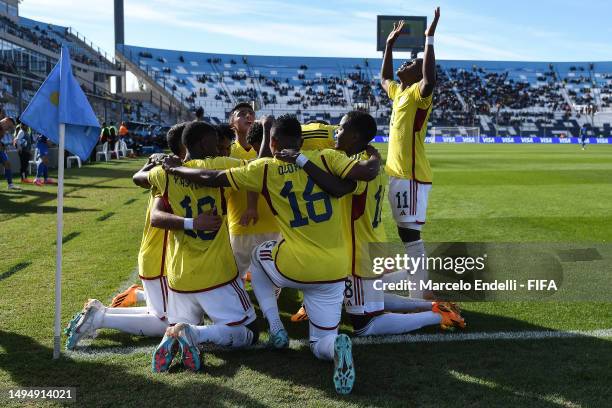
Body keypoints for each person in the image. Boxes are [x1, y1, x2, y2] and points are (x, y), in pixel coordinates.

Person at [162, 114, 381, 394]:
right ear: (301, 140)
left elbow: (212, 177)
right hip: (335, 270)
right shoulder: (328, 158)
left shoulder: (265, 168)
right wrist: (372, 154)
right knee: (320, 342)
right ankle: (334, 347)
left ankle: (276, 326)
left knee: (258, 256)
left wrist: (177, 169)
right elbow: (365, 172)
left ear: (273, 142)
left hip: (294, 265)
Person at [280, 111, 465, 335]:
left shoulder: (357, 168)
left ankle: (437, 316)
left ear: (355, 136)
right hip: (371, 244)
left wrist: (301, 160)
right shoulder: (370, 164)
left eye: (341, 129)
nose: (335, 133)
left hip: (358, 254)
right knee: (369, 299)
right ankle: (434, 306)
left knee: (365, 325)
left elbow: (337, 188)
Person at [142, 121, 259, 373]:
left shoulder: (164, 173)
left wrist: (158, 162)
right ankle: (193, 335)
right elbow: (257, 170)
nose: (219, 147)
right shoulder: (218, 164)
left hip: (179, 275)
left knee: (179, 323)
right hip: (215, 273)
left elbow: (143, 188)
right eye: (215, 142)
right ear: (205, 143)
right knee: (250, 331)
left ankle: (173, 339)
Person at [64, 124, 189, 350]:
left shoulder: (170, 169)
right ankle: (100, 319)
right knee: (165, 322)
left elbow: (138, 177)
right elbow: (139, 178)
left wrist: (151, 163)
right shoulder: (173, 173)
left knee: (170, 313)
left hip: (156, 253)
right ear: (186, 145)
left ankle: (100, 312)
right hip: (159, 257)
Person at [379, 8, 440, 299]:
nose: (409, 62)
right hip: (396, 174)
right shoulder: (399, 93)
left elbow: (430, 79)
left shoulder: (418, 93)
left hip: (412, 176)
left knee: (410, 235)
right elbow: (384, 79)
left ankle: (420, 293)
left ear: (417, 74)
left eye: (414, 62)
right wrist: (389, 45)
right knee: (405, 234)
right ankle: (417, 282)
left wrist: (428, 41)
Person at [227, 103, 280, 281]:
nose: (248, 116)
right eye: (242, 113)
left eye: (251, 113)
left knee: (273, 274)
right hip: (239, 223)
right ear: (232, 123)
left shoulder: (272, 147)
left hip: (271, 222)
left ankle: (269, 308)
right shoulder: (227, 150)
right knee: (234, 275)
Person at [0, 117, 19, 190]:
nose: (9, 128)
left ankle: (10, 185)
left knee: (7, 164)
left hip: (1, 150)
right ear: (6, 121)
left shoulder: (3, 130)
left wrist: (3, 146)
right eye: (9, 126)